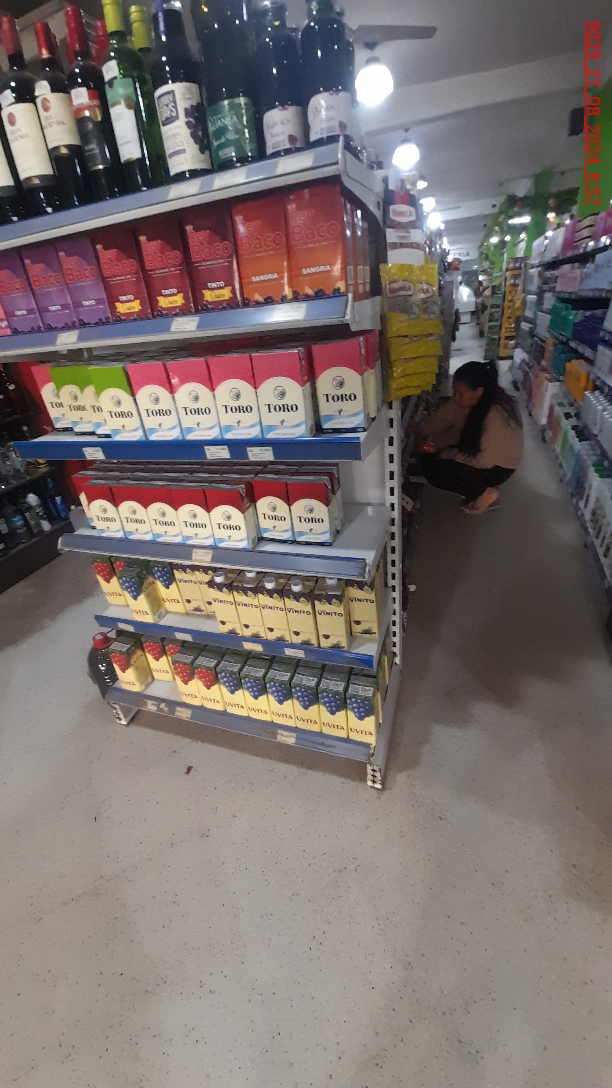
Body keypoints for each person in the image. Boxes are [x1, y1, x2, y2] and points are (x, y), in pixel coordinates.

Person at [413, 359, 523, 513]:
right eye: (454, 392)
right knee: (429, 460)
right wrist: (417, 429)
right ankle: (474, 487)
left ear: (479, 391)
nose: (455, 398)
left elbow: (485, 461)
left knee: (436, 472)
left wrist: (450, 454)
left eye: (459, 393)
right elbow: (441, 420)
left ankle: (484, 492)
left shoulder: (494, 415)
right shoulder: (464, 401)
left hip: (498, 467)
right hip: (478, 452)